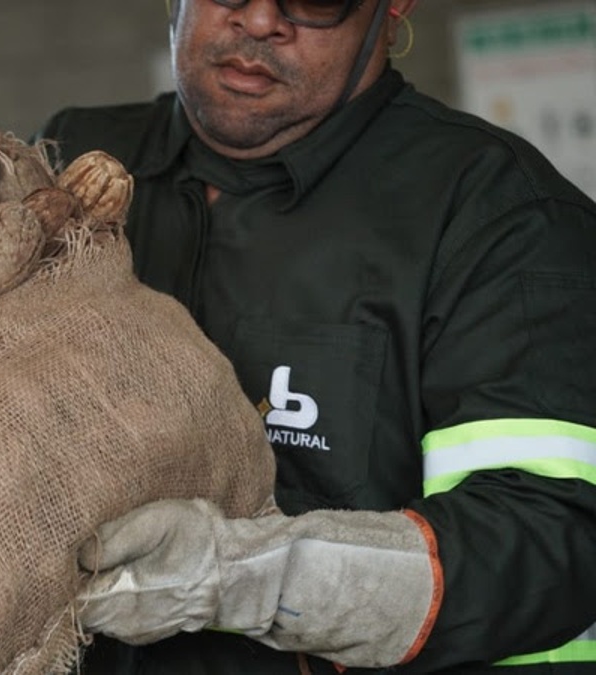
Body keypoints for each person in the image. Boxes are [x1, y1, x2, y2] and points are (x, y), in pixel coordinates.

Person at [35, 0, 596, 672]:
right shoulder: (64, 167)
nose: (262, 18)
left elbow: (547, 539)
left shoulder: (499, 215)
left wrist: (249, 577)